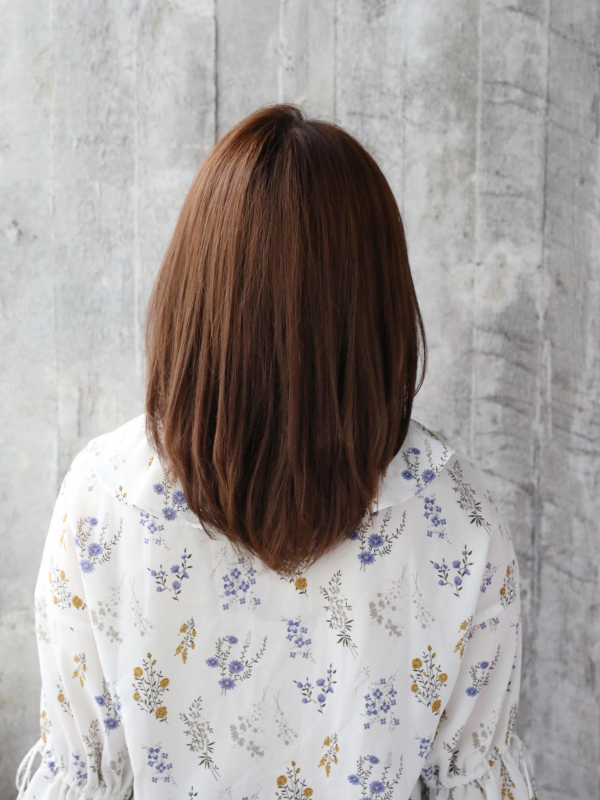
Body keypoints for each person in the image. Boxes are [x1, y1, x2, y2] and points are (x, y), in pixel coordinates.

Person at [16, 103, 538, 799]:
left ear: (195, 290)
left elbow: (80, 781)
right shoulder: (460, 522)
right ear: (381, 300)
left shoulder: (102, 499)